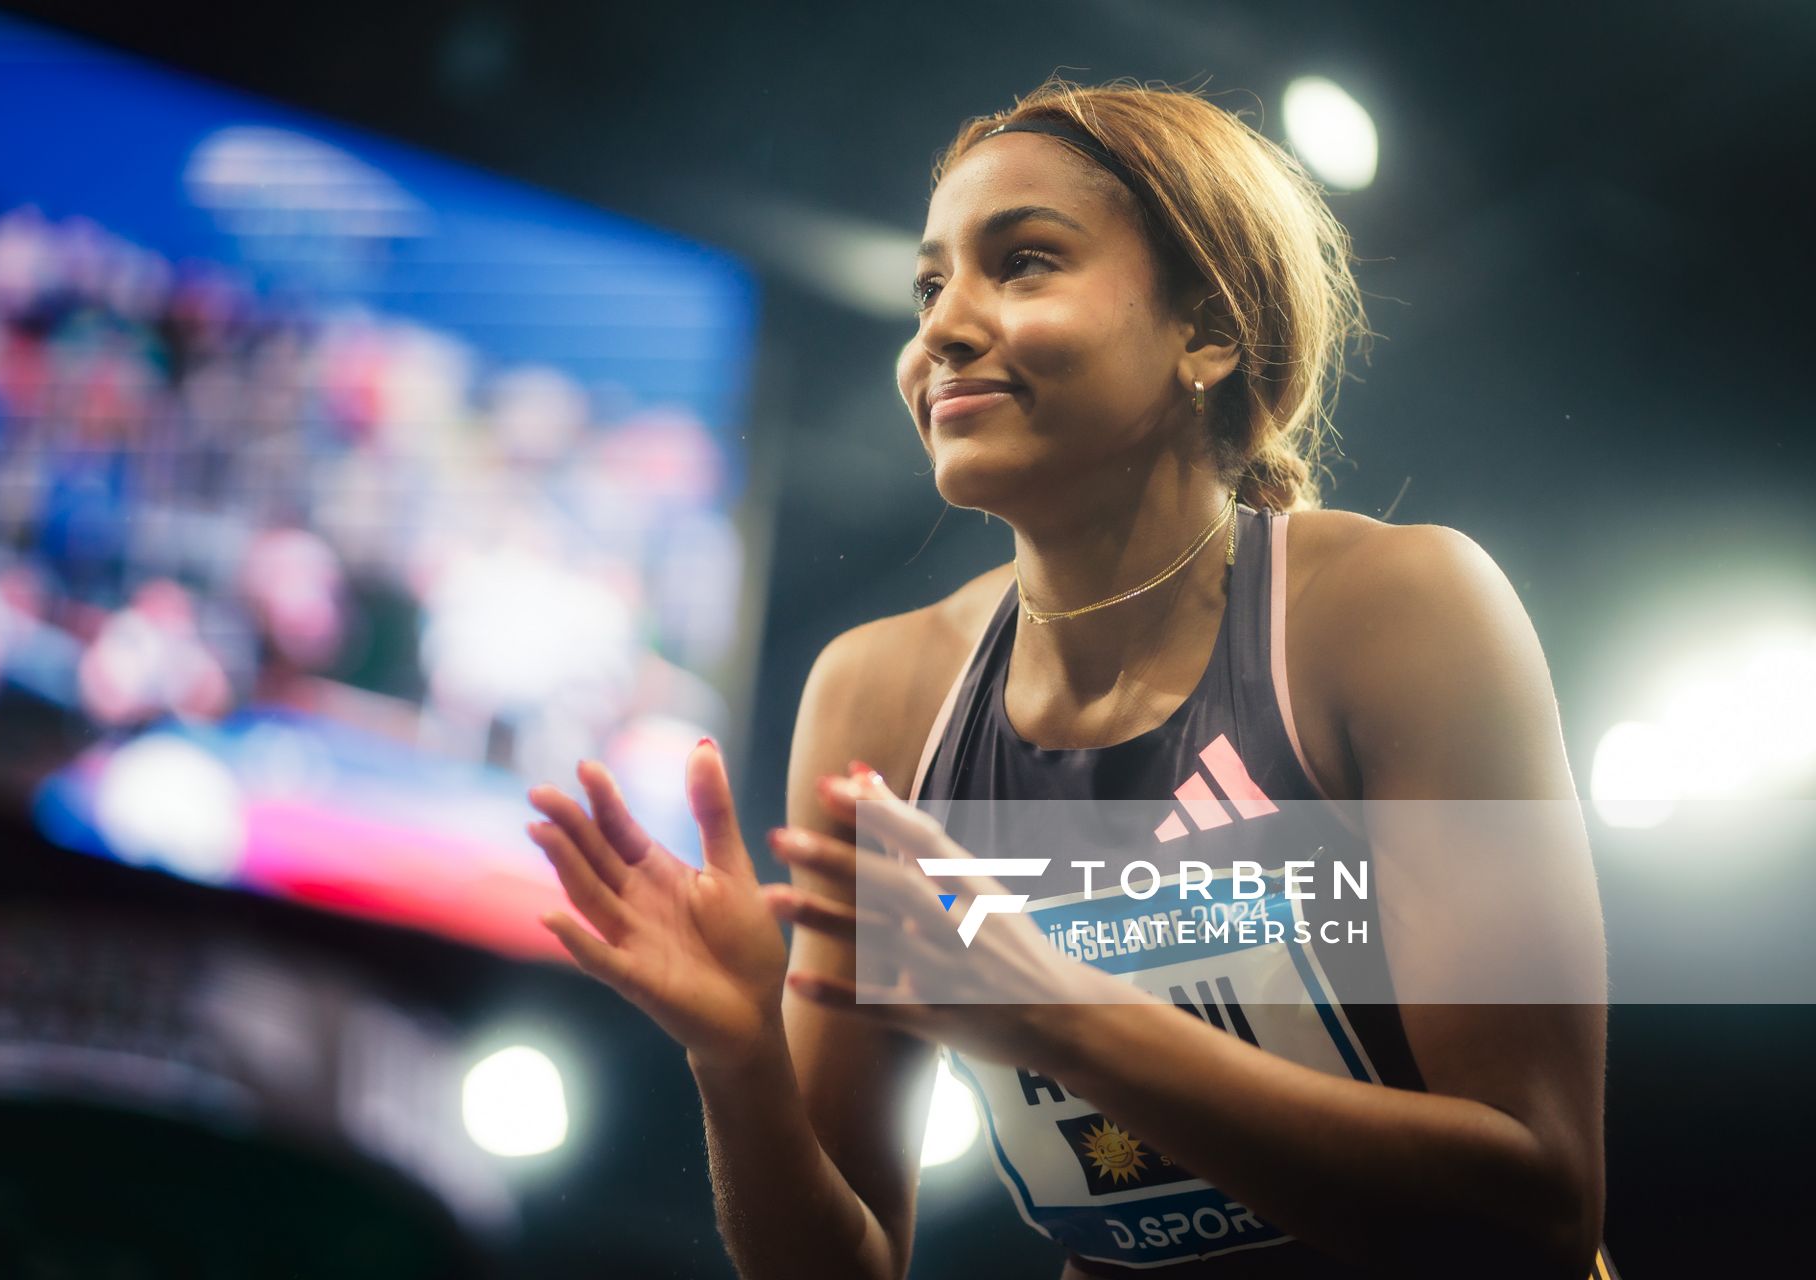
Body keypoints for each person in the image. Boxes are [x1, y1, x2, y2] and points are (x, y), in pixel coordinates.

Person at [527, 78, 1614, 1279]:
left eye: (1026, 263)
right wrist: (737, 1063)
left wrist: (1051, 1009)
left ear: (1207, 329)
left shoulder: (1392, 611)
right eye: (930, 284)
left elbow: (1540, 1212)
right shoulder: (879, 696)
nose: (942, 325)